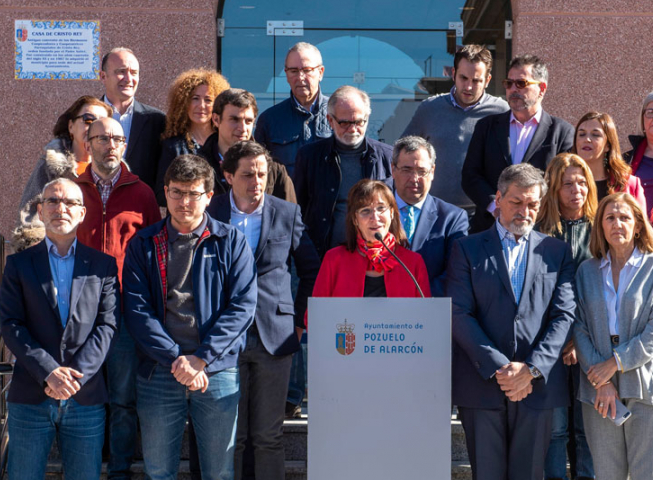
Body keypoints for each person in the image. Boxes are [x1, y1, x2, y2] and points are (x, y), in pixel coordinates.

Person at [123, 154, 256, 480]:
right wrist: (176, 360)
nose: (184, 201)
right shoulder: (144, 243)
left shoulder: (230, 241)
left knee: (219, 473)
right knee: (158, 472)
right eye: (176, 192)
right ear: (165, 193)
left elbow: (242, 307)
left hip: (216, 370)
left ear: (209, 197)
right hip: (159, 371)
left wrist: (201, 359)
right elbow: (137, 310)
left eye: (193, 193)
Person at [448, 163, 576, 480]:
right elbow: (458, 312)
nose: (525, 211)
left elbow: (564, 315)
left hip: (538, 387)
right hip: (482, 384)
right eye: (516, 202)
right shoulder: (466, 248)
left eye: (532, 204)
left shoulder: (557, 252)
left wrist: (531, 369)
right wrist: (500, 368)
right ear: (498, 199)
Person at [206, 141, 320, 480]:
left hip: (275, 336)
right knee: (232, 437)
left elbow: (311, 269)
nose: (257, 181)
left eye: (262, 173)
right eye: (247, 175)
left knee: (268, 436)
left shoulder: (286, 212)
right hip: (224, 337)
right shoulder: (210, 212)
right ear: (227, 175)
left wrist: (299, 322)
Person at [0, 178, 119, 480]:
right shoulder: (19, 264)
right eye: (52, 201)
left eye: (69, 203)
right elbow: (12, 324)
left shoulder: (102, 266)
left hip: (85, 395)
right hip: (31, 395)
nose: (60, 208)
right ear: (40, 211)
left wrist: (73, 377)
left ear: (82, 213)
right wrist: (49, 372)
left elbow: (107, 325)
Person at [73, 117, 161, 479]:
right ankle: (86, 467)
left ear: (125, 145)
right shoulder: (72, 190)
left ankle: (120, 471)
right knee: (83, 392)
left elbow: (158, 249)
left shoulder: (142, 193)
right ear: (88, 143)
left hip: (124, 307)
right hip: (79, 308)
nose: (110, 145)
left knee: (124, 399)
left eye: (117, 139)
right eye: (102, 138)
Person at [573, 192, 653, 480]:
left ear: (638, 225)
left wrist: (615, 363)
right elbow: (579, 327)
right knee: (607, 475)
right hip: (598, 387)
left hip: (648, 382)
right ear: (601, 227)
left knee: (647, 475)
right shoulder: (587, 271)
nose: (617, 223)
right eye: (610, 218)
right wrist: (603, 379)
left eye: (624, 217)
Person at [534, 153, 597, 480]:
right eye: (568, 183)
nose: (577, 190)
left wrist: (578, 339)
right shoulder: (538, 233)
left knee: (587, 431)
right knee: (556, 430)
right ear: (554, 190)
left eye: (583, 182)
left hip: (591, 344)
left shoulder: (601, 229)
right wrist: (561, 340)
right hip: (549, 346)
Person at [463, 54, 574, 234]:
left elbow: (563, 184)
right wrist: (496, 207)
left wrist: (530, 210)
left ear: (542, 89)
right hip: (489, 229)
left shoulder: (562, 132)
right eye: (509, 83)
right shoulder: (487, 127)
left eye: (521, 84)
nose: (513, 89)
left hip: (540, 231)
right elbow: (470, 175)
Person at [401, 44, 509, 209]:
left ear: (487, 80)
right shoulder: (430, 108)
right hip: (434, 209)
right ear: (453, 74)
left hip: (483, 211)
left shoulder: (501, 112)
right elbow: (402, 151)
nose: (468, 87)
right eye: (463, 78)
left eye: (476, 80)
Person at [294, 85, 393, 257]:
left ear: (367, 119)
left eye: (359, 122)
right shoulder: (309, 156)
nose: (353, 129)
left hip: (375, 257)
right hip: (323, 256)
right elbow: (298, 209)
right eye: (345, 123)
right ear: (330, 121)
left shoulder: (387, 156)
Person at [310, 179, 431, 309]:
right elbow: (315, 317)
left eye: (381, 208)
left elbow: (426, 317)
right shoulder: (334, 259)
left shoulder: (413, 263)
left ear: (391, 213)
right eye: (365, 210)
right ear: (355, 219)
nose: (375, 217)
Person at [389, 136, 468, 297]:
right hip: (379, 309)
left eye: (422, 171)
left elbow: (455, 272)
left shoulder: (452, 218)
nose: (414, 179)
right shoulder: (373, 212)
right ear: (393, 169)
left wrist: (417, 297)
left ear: (432, 172)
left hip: (430, 308)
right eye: (406, 170)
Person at [18, 96, 112, 218]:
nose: (95, 127)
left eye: (102, 123)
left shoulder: (116, 171)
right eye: (88, 120)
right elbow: (29, 214)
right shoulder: (50, 167)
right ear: (71, 126)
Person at [202, 88, 296, 203]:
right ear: (216, 119)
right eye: (234, 120)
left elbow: (289, 217)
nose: (242, 128)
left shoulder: (273, 170)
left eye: (248, 121)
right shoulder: (199, 167)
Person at [254, 42, 332, 176]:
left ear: (320, 72)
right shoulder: (269, 120)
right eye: (294, 71)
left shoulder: (339, 114)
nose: (300, 77)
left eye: (307, 70)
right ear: (286, 74)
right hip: (286, 197)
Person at [154, 68, 230, 205]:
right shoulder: (172, 147)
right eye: (195, 98)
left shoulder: (225, 143)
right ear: (184, 102)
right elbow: (161, 193)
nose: (201, 106)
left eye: (208, 100)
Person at [99, 48, 167, 185]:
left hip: (140, 204)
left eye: (134, 73)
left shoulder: (157, 121)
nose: (129, 79)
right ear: (103, 76)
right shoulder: (87, 117)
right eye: (121, 72)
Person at [573, 111, 646, 210]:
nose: (587, 139)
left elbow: (641, 224)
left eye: (595, 135)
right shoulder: (563, 181)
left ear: (608, 145)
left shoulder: (628, 183)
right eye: (582, 134)